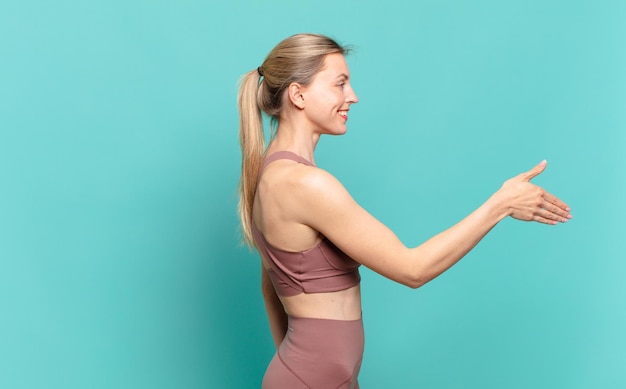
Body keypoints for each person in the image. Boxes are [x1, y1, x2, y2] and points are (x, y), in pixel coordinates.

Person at [237, 33, 571, 389]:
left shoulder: (273, 175)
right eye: (340, 83)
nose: (353, 95)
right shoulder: (304, 185)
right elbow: (413, 269)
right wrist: (500, 204)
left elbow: (269, 286)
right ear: (298, 94)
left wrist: (307, 370)